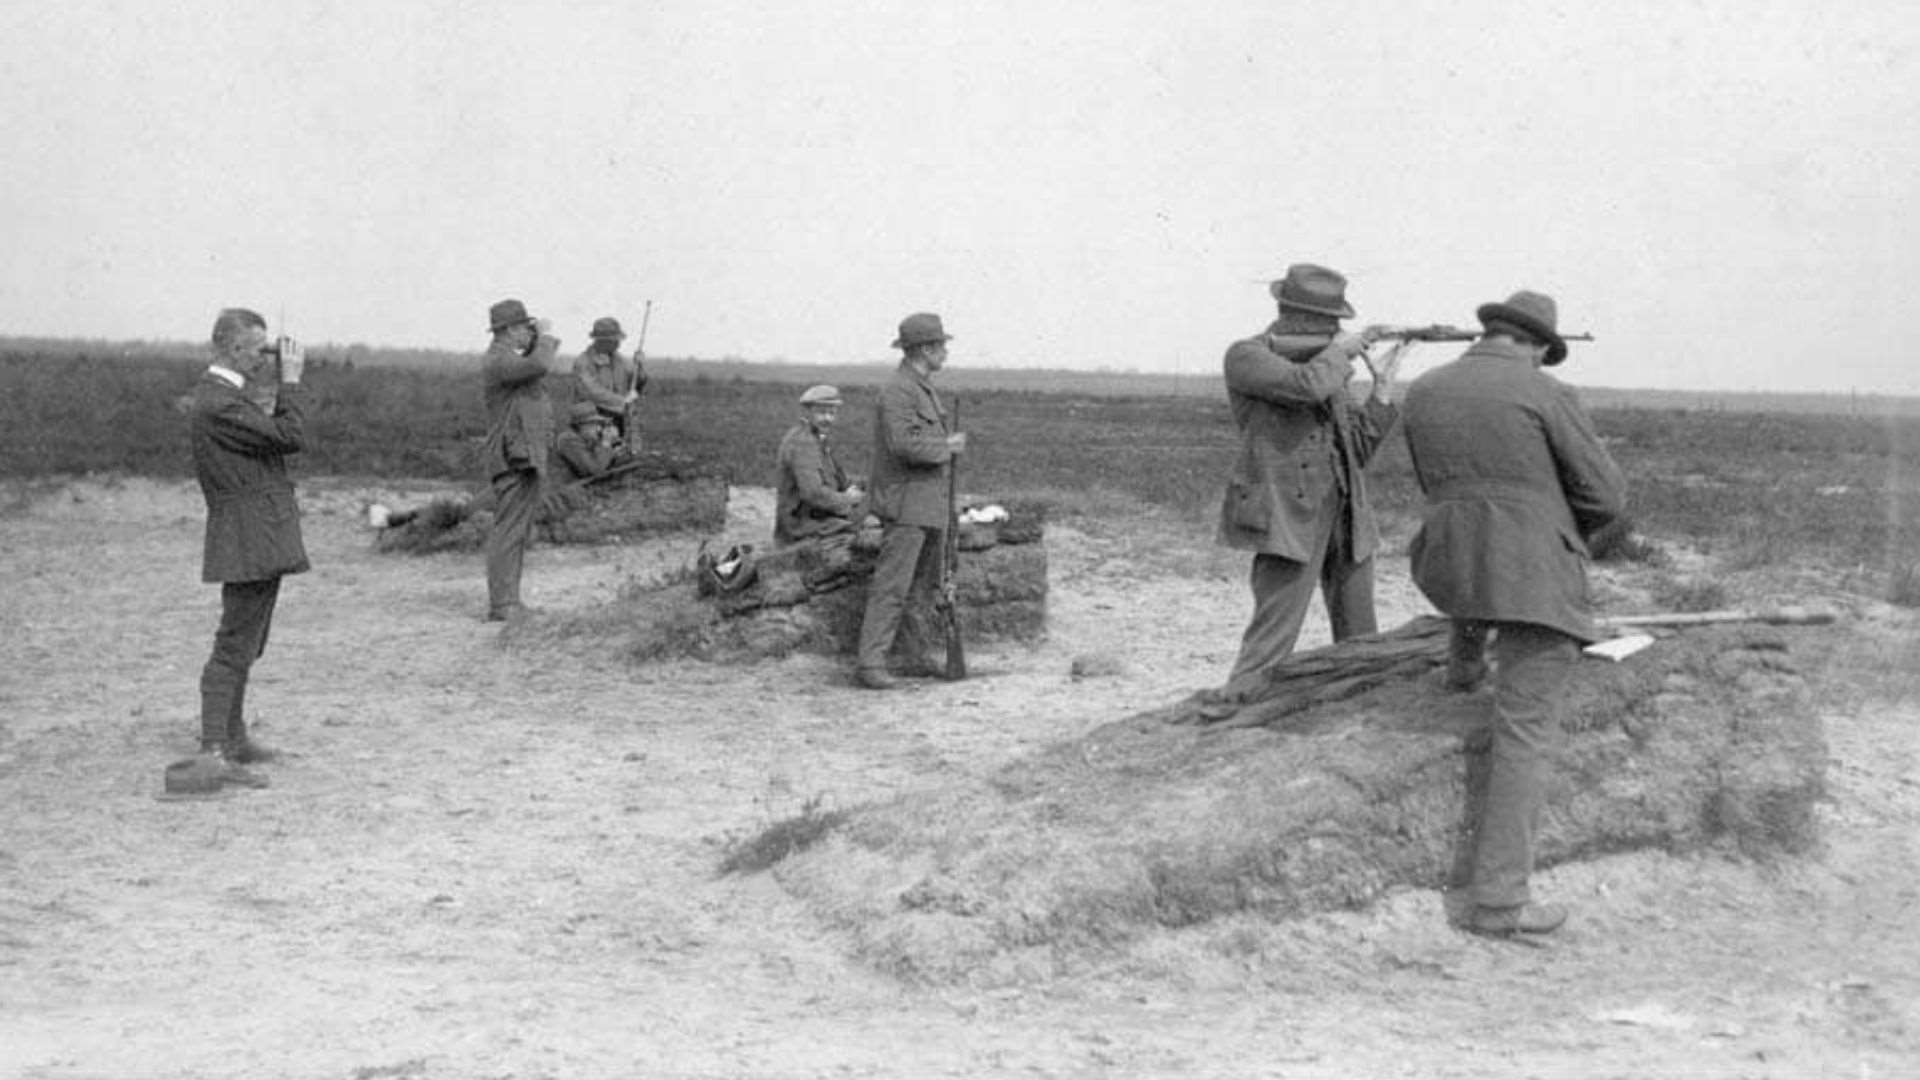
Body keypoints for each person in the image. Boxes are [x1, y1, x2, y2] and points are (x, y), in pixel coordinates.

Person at [1401, 289, 1627, 939]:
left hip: (1448, 564)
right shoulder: (1546, 393)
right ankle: (1500, 901)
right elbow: (1606, 497)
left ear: (1491, 332)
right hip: (1529, 573)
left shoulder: (1425, 388)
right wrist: (1566, 537)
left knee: (1484, 577)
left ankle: (1464, 665)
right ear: (1534, 346)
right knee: (1525, 731)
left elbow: (1441, 485)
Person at [1217, 263, 1410, 688]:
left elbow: (1357, 448)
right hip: (1288, 514)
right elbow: (1305, 387)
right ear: (1296, 316)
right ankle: (1239, 707)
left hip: (1346, 512)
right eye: (1330, 323)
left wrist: (1380, 394)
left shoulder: (1326, 367)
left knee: (1363, 643)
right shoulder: (1248, 356)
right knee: (1271, 641)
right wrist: (1342, 351)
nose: (1336, 330)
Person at [184, 308, 310, 789]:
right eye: (258, 350)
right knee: (234, 644)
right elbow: (290, 437)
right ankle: (215, 749)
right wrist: (292, 383)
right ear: (234, 349)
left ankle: (233, 739)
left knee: (249, 641)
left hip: (256, 532)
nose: (265, 359)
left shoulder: (224, 397)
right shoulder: (220, 403)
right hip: (248, 534)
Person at [855, 313, 966, 689]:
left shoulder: (920, 387)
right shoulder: (899, 391)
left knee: (919, 589)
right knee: (892, 587)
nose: (946, 353)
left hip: (927, 506)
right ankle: (870, 665)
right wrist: (946, 447)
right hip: (905, 507)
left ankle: (915, 656)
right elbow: (903, 445)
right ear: (924, 349)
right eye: (941, 346)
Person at [481, 298, 564, 622]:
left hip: (521, 455)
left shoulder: (507, 361)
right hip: (512, 457)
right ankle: (503, 605)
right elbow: (539, 365)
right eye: (523, 328)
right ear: (510, 329)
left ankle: (509, 601)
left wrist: (533, 341)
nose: (526, 333)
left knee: (515, 530)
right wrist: (543, 336)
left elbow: (531, 369)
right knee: (508, 531)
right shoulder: (499, 361)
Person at [774, 384, 864, 545]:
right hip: (803, 524)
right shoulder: (802, 442)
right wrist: (847, 500)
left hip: (819, 516)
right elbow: (813, 493)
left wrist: (862, 486)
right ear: (807, 412)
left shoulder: (818, 439)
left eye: (832, 413)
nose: (827, 418)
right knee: (871, 534)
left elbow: (837, 477)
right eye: (821, 412)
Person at [568, 316, 645, 443]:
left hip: (617, 419)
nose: (618, 343)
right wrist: (624, 402)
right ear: (602, 341)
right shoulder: (583, 362)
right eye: (614, 340)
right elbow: (592, 392)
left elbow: (636, 384)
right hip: (590, 422)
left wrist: (639, 366)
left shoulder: (619, 360)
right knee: (597, 459)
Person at [552, 401, 623, 484]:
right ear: (581, 425)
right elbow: (596, 470)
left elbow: (600, 460)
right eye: (594, 424)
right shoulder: (568, 440)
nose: (599, 428)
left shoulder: (586, 439)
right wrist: (606, 443)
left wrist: (614, 452)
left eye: (599, 424)